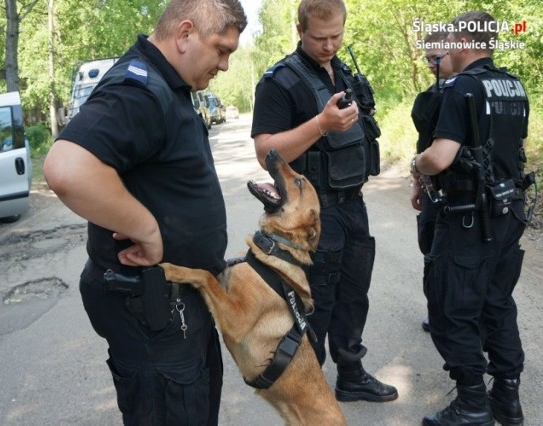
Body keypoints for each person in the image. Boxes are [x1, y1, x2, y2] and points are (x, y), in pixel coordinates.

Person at [43, 1, 246, 424]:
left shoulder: (167, 86)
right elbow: (66, 169)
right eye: (221, 50)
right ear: (185, 33)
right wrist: (147, 229)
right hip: (157, 315)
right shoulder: (140, 89)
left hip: (179, 308)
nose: (225, 65)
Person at [251, 0, 398, 403]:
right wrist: (320, 125)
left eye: (337, 35)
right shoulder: (279, 81)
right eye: (320, 37)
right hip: (313, 213)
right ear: (300, 30)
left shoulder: (342, 72)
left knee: (354, 294)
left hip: (353, 204)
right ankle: (307, 390)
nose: (330, 45)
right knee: (317, 302)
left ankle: (350, 374)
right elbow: (266, 152)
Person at [412, 11, 532, 426]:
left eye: (449, 37)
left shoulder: (462, 87)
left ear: (464, 39)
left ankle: (472, 404)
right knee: (496, 304)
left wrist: (417, 162)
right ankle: (507, 397)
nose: (443, 45)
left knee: (452, 311)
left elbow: (440, 156)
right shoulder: (514, 86)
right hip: (508, 211)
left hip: (467, 217)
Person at [410, 31, 455, 334]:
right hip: (432, 192)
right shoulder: (429, 96)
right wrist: (416, 182)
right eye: (427, 58)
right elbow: (422, 147)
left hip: (463, 192)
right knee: (431, 252)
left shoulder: (469, 93)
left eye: (436, 58)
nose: (430, 64)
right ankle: (436, 311)